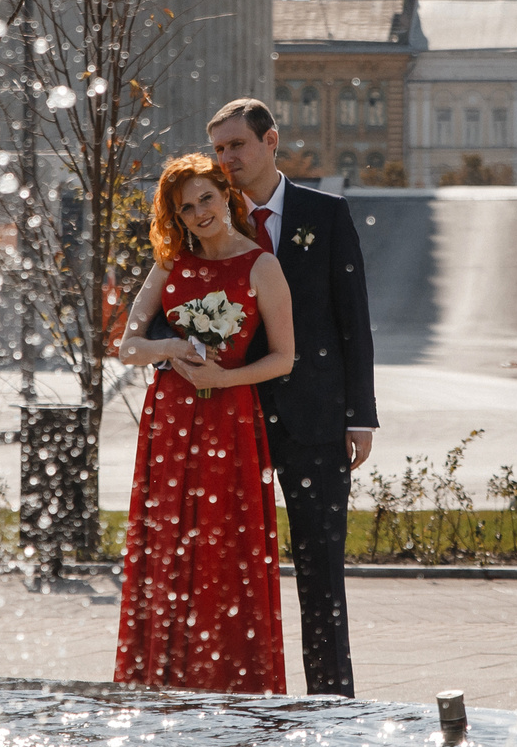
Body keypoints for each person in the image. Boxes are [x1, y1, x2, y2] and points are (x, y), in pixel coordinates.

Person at [203, 96, 377, 697]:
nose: (226, 159)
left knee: (321, 572)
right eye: (219, 149)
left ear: (270, 142)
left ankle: (333, 702)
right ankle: (240, 696)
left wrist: (360, 416)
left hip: (317, 417)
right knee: (233, 568)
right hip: (234, 418)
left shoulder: (325, 215)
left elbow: (353, 319)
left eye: (237, 146)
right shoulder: (207, 218)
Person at [112, 155, 298, 691]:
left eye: (206, 199)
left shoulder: (262, 266)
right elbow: (128, 347)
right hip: (169, 419)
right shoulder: (170, 263)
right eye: (185, 207)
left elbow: (284, 358)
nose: (198, 213)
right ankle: (162, 678)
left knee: (221, 545)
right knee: (167, 541)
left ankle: (225, 678)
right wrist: (172, 348)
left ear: (226, 195)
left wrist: (223, 376)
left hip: (230, 417)